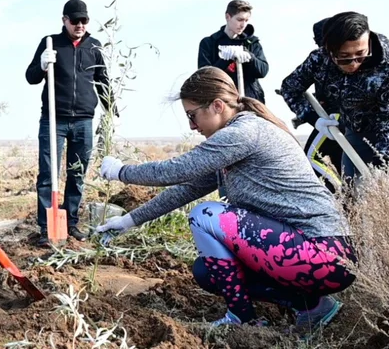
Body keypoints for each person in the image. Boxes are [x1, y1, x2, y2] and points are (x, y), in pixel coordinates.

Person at [96, 67, 356, 332]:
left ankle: (241, 317)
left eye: (193, 115)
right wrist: (128, 220)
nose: (192, 126)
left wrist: (121, 172)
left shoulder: (243, 133)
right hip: (308, 254)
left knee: (205, 215)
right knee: (208, 272)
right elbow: (186, 188)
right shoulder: (234, 141)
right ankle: (313, 307)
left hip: (327, 253)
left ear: (217, 106)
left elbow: (176, 170)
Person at [280, 11, 389, 181]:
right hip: (357, 125)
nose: (354, 63)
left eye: (361, 55)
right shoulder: (319, 60)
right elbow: (290, 87)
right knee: (352, 186)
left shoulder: (387, 63)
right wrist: (314, 119)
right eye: (344, 58)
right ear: (329, 49)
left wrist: (380, 163)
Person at [25, 0, 116, 247]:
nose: (80, 25)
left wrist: (111, 109)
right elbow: (30, 77)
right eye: (74, 20)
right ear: (64, 20)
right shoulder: (50, 43)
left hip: (84, 121)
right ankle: (46, 227)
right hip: (54, 119)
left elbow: (103, 81)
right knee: (48, 174)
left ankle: (71, 222)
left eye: (84, 20)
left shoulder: (94, 47)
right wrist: (43, 65)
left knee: (77, 174)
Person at [285, 18, 344, 193]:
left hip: (336, 119)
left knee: (311, 157)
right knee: (338, 159)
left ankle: (341, 192)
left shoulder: (330, 56)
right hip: (328, 120)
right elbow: (290, 86)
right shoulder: (319, 59)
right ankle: (345, 196)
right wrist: (311, 117)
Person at [198, 0, 269, 103]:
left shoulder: (252, 42)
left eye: (246, 20)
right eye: (239, 20)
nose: (243, 25)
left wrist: (250, 57)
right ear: (228, 17)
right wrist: (224, 60)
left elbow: (263, 71)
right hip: (222, 102)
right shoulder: (209, 43)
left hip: (251, 101)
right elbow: (204, 77)